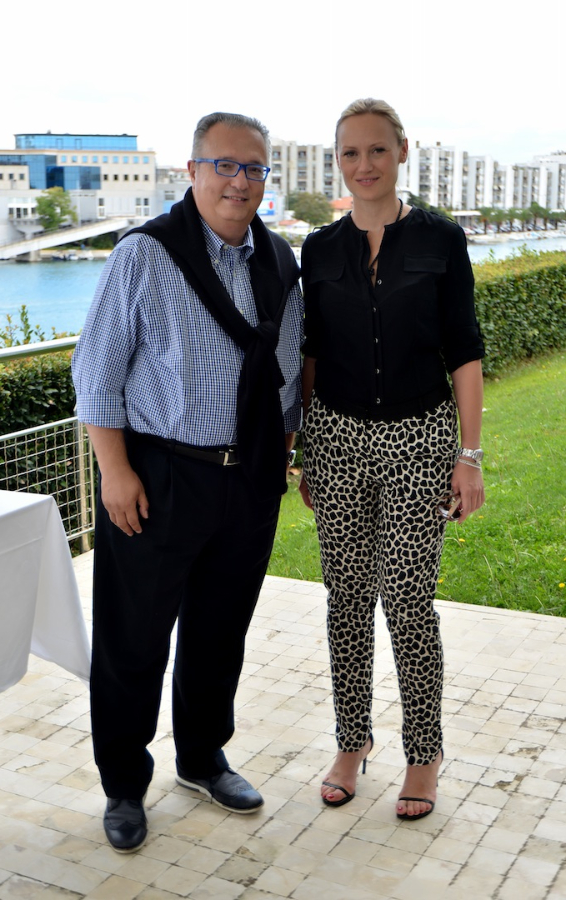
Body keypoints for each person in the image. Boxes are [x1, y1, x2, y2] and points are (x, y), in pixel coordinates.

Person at [72, 111, 303, 852]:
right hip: (158, 475)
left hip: (248, 479)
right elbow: (96, 372)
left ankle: (202, 758)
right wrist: (114, 472)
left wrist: (279, 458)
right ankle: (123, 783)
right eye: (224, 165)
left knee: (218, 632)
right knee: (133, 638)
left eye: (253, 168)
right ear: (193, 170)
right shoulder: (144, 254)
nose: (240, 181)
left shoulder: (280, 260)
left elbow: (287, 376)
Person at [299, 98, 485, 821]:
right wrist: (305, 449)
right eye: (350, 153)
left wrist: (469, 457)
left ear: (402, 151)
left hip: (419, 438)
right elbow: (311, 354)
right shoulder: (318, 250)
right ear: (337, 161)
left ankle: (423, 753)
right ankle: (352, 741)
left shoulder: (441, 239)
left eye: (377, 149)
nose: (364, 165)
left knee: (408, 601)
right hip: (338, 438)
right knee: (345, 599)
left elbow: (463, 349)